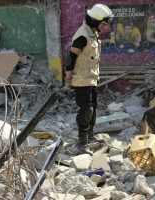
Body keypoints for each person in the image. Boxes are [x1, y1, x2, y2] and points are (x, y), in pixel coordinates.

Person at [64, 4, 114, 153]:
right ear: (94, 20)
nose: (104, 27)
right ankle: (82, 142)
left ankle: (90, 136)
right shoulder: (82, 35)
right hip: (81, 80)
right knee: (86, 109)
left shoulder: (92, 32)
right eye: (103, 23)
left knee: (93, 108)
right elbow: (71, 57)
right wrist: (68, 79)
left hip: (91, 79)